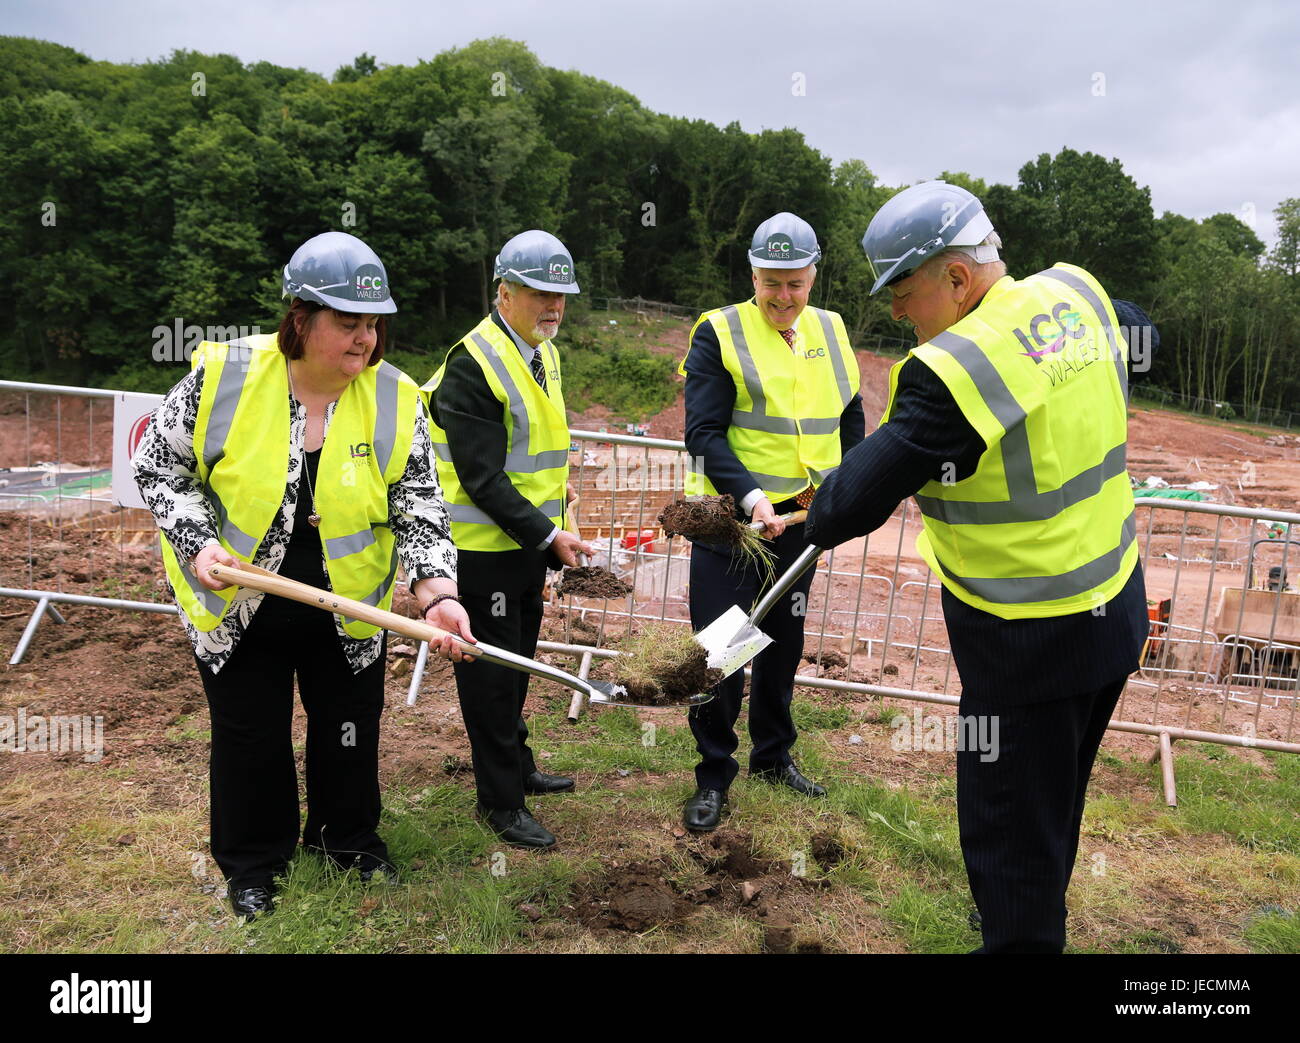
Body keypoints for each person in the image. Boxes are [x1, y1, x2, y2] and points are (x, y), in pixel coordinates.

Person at [805, 181, 1153, 953]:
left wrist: (808, 507)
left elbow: (848, 506)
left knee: (1007, 838)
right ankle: (1028, 920)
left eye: (903, 291)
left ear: (958, 278)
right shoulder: (1077, 293)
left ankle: (1020, 935)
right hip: (1113, 616)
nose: (897, 313)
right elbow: (1143, 334)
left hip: (1027, 652)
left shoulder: (952, 371)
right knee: (1053, 806)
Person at [133, 231, 472, 921]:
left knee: (348, 724)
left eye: (373, 324)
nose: (365, 339)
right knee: (250, 733)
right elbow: (158, 465)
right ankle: (255, 862)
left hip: (350, 603)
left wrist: (438, 593)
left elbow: (420, 505)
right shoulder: (225, 374)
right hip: (240, 602)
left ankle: (346, 842)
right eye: (348, 322)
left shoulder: (397, 397)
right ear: (300, 317)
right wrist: (198, 545)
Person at [679, 212, 865, 831]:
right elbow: (703, 435)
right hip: (733, 521)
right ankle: (712, 775)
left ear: (814, 275)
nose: (783, 297)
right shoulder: (718, 332)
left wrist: (850, 483)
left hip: (805, 519)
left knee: (784, 641)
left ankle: (773, 757)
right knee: (725, 647)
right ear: (752, 274)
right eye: (770, 282)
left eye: (795, 283)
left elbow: (849, 416)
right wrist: (752, 499)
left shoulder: (832, 330)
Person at [423, 230, 592, 849]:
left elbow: (533, 452)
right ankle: (499, 803)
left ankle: (517, 769)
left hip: (525, 548)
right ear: (505, 291)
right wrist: (549, 533)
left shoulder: (541, 352)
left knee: (514, 665)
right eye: (540, 291)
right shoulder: (472, 364)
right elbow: (482, 477)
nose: (553, 305)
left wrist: (554, 517)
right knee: (490, 677)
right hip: (481, 555)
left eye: (562, 294)